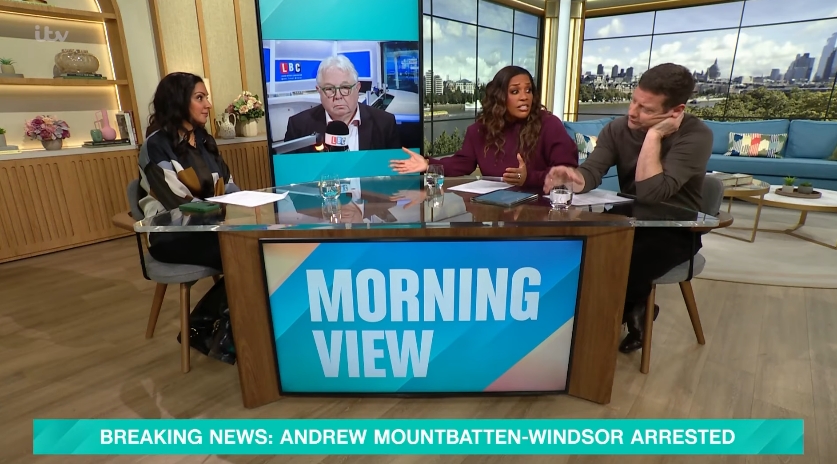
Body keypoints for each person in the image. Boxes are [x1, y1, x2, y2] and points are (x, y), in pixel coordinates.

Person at [543, 63, 712, 354]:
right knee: (572, 244)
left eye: (646, 109)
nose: (633, 112)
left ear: (676, 110)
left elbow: (651, 192)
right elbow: (592, 172)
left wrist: (653, 136)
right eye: (633, 100)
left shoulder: (697, 136)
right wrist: (574, 178)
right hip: (630, 218)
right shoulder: (617, 129)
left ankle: (593, 336)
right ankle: (631, 312)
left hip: (676, 228)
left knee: (619, 261)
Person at [390, 65, 578, 188]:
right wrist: (428, 164)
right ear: (500, 96)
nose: (524, 97)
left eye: (528, 90)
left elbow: (567, 172)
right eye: (515, 91)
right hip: (494, 212)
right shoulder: (480, 131)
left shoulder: (549, 125)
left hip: (542, 212)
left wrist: (528, 178)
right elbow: (462, 163)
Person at [138, 72, 238, 271]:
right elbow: (182, 205)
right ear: (178, 102)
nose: (208, 105)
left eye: (206, 98)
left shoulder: (204, 139)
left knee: (258, 243)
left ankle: (235, 302)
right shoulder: (156, 145)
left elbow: (229, 185)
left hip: (214, 227)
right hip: (172, 235)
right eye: (200, 98)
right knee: (240, 250)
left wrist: (244, 208)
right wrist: (227, 214)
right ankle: (227, 303)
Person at [283, 55, 401, 151]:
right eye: (329, 89)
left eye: (345, 87)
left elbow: (396, 175)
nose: (338, 96)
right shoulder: (298, 126)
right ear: (319, 91)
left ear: (357, 88)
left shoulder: (385, 123)